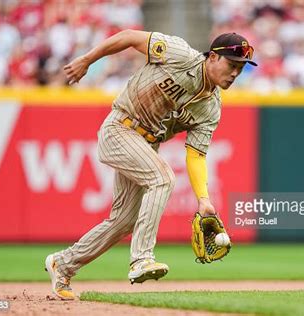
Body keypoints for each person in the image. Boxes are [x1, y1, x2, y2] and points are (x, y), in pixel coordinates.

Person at [45, 29, 256, 300]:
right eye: (232, 64)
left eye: (240, 68)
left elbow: (196, 154)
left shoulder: (211, 108)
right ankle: (142, 258)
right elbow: (130, 37)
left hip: (145, 145)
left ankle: (63, 264)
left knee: (122, 221)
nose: (235, 73)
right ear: (213, 57)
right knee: (163, 178)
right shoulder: (179, 54)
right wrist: (87, 60)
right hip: (120, 127)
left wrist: (204, 200)